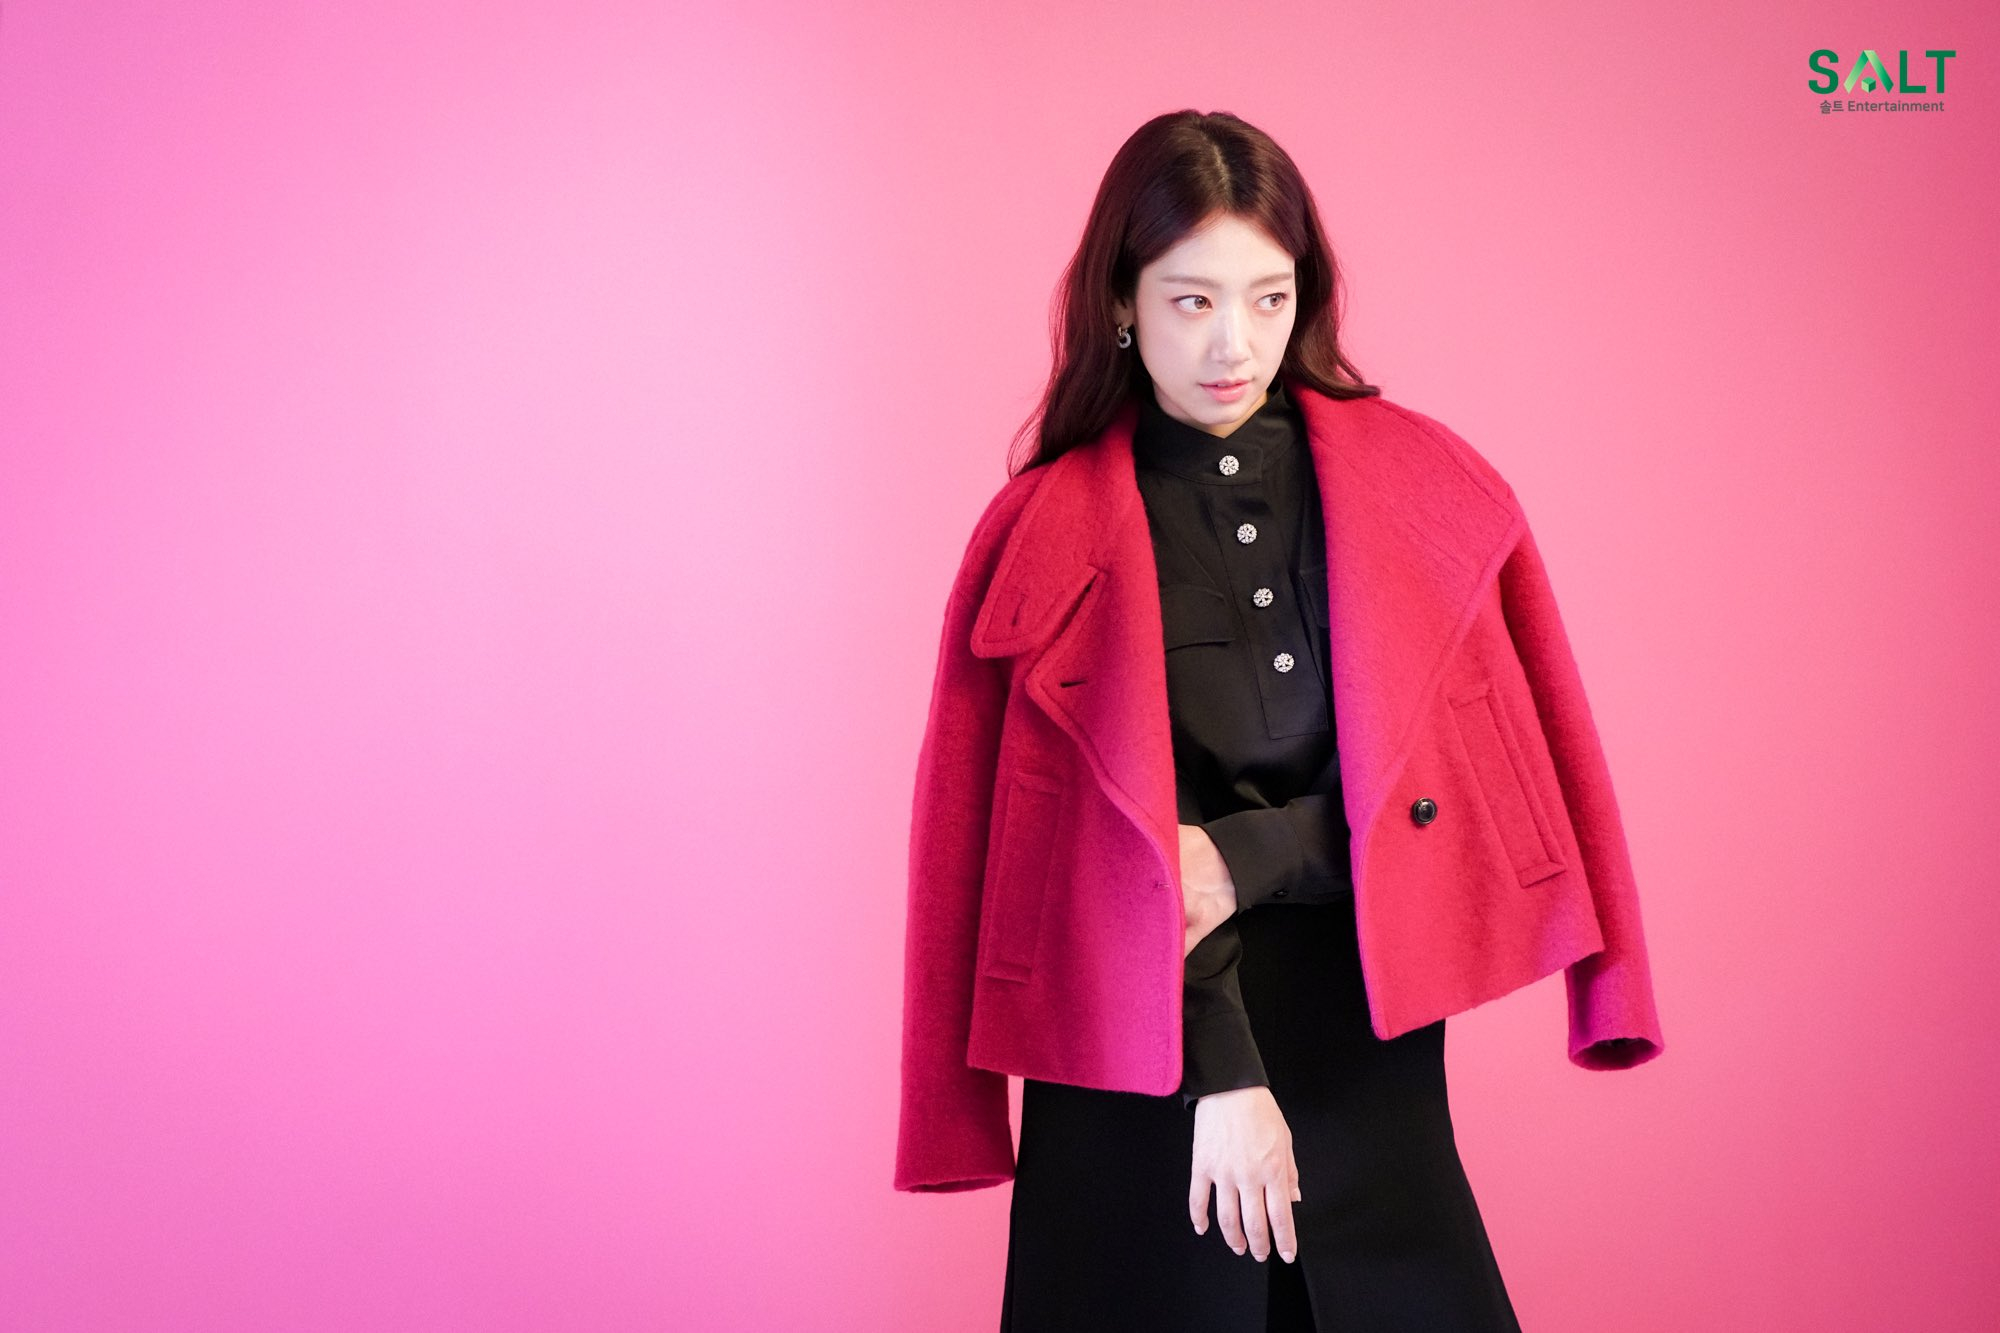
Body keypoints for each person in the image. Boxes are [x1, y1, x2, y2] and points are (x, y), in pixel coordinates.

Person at [894, 110, 1663, 1332]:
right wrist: (1221, 1078)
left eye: (1266, 297)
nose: (1232, 343)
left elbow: (1468, 784)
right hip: (1129, 1056)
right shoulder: (1037, 533)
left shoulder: (1425, 486)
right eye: (1191, 301)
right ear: (1120, 302)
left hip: (1365, 1040)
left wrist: (1240, 853)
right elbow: (1031, 854)